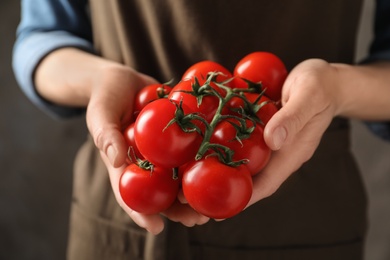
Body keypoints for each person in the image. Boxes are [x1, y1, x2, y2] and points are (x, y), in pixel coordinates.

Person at [12, 0, 390, 259]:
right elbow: (42, 37)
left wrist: (337, 88)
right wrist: (100, 81)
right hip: (118, 209)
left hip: (306, 221)